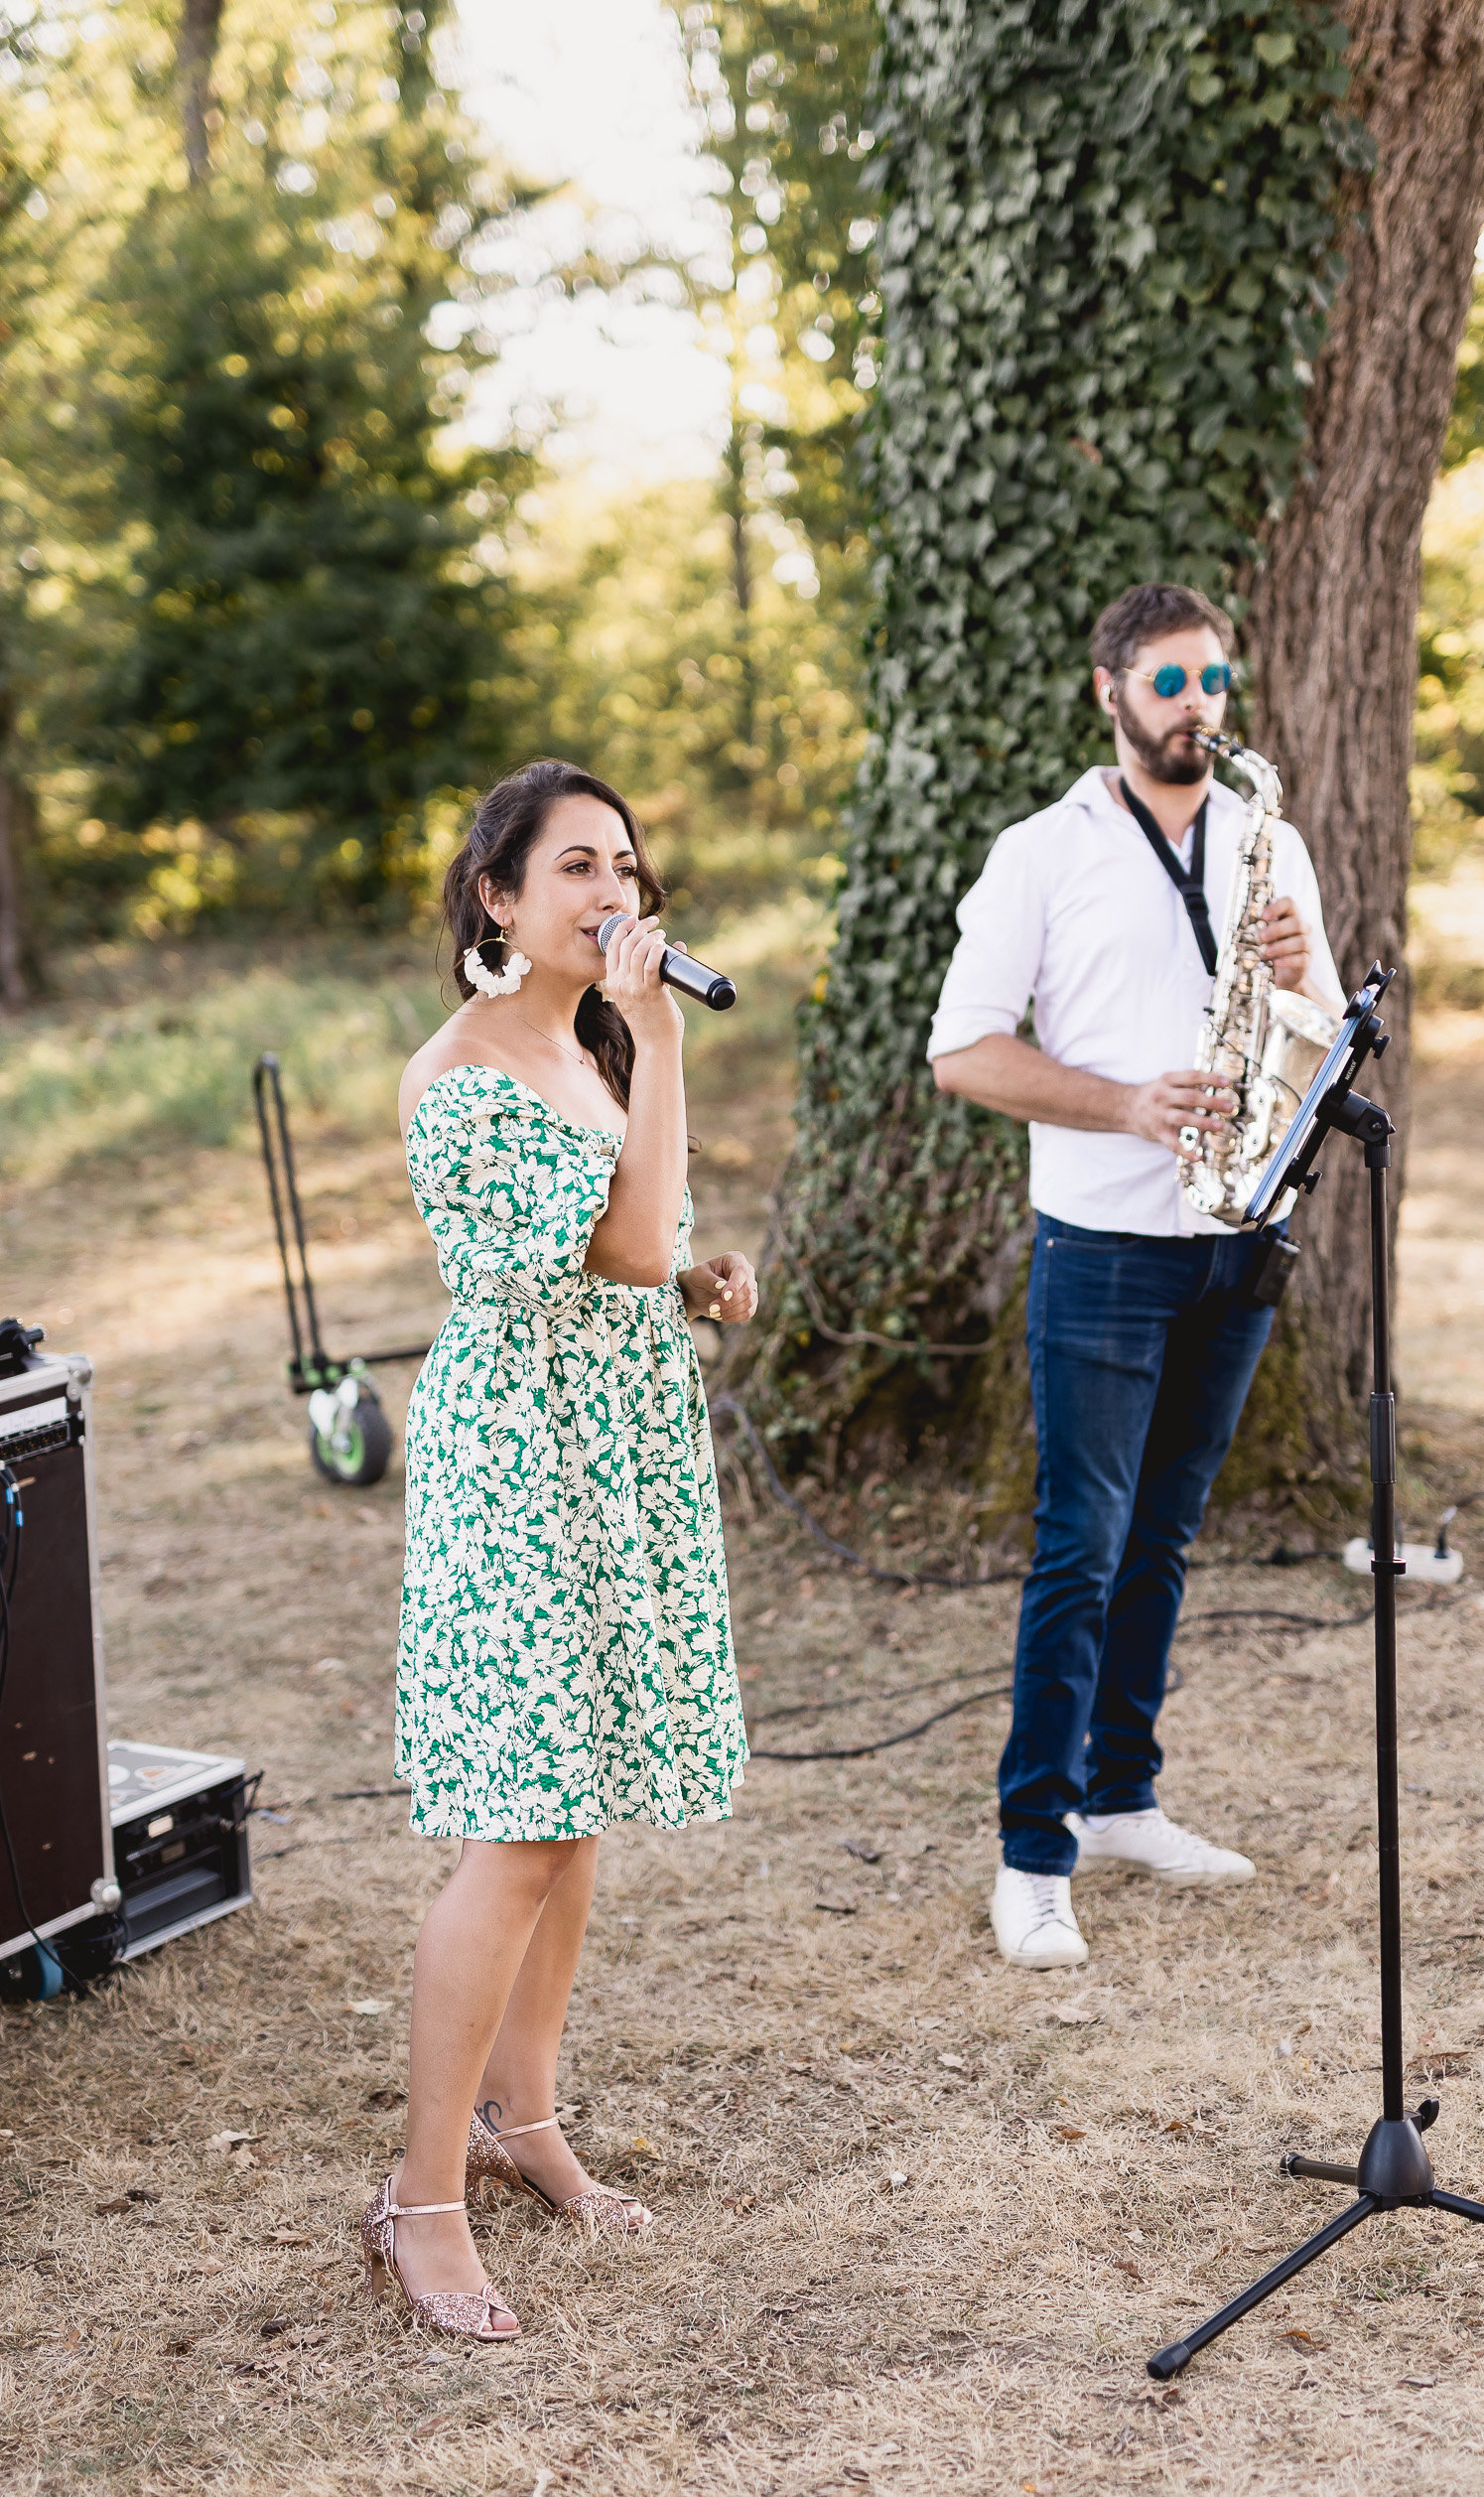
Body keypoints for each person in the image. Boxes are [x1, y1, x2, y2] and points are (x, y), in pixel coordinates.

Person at [361, 758, 756, 2338]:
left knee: (576, 1816)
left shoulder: (577, 1045)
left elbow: (629, 1254)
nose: (613, 893)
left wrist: (691, 1287)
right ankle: (422, 2197)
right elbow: (618, 1235)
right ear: (498, 901)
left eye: (627, 865)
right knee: (517, 1828)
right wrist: (662, 1046)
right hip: (523, 1468)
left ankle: (526, 2129)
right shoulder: (462, 1070)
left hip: (618, 1443)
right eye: (576, 868)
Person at [928, 583, 1344, 1972]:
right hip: (1102, 1243)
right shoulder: (1037, 854)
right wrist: (1122, 1106)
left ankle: (1121, 1799)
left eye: (1213, 679)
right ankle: (1032, 1852)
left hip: (1234, 1235)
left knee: (1162, 1542)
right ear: (1107, 688)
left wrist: (1298, 983)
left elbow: (1319, 1037)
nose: (1197, 706)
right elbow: (962, 1051)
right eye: (1169, 682)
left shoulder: (1263, 842)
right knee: (1080, 1549)